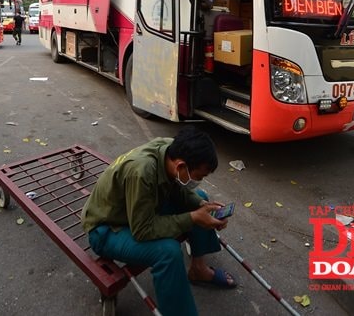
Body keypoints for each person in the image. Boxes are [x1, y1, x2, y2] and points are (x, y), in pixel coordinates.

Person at [81, 126, 237, 316]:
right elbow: (142, 230)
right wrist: (193, 218)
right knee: (168, 252)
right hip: (107, 229)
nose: (200, 180)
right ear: (180, 166)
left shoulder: (170, 150)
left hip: (136, 210)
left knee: (199, 199)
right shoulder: (142, 172)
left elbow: (176, 189)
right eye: (199, 176)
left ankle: (198, 269)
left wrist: (202, 204)